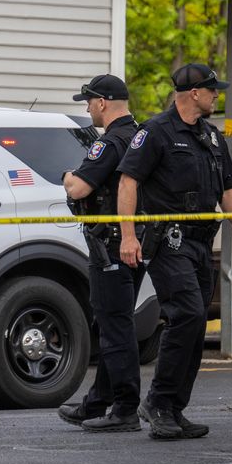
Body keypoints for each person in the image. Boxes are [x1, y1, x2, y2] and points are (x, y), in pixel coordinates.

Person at [117, 63, 232, 440]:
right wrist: (127, 236)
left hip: (200, 243)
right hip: (168, 242)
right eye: (213, 90)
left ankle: (173, 408)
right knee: (189, 314)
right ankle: (158, 402)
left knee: (196, 326)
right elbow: (128, 182)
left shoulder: (211, 138)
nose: (217, 96)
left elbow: (228, 191)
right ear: (194, 93)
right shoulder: (154, 133)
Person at [58, 75, 146, 433]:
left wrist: (66, 175)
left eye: (88, 101)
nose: (87, 107)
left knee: (114, 325)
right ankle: (97, 401)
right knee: (116, 321)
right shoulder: (141, 136)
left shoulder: (110, 142)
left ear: (103, 103)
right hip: (137, 240)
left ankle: (125, 407)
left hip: (110, 242)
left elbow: (79, 187)